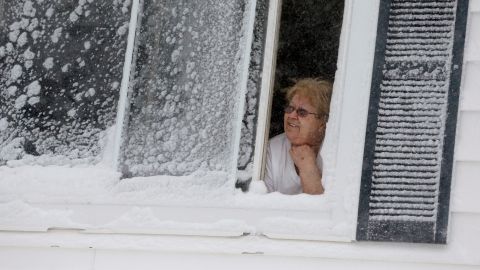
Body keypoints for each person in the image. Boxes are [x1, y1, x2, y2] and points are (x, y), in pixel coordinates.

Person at [264, 78, 332, 195]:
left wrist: (308, 168)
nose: (292, 115)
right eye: (290, 108)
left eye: (302, 112)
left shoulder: (334, 153)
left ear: (322, 123)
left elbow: (327, 210)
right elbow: (261, 206)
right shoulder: (272, 149)